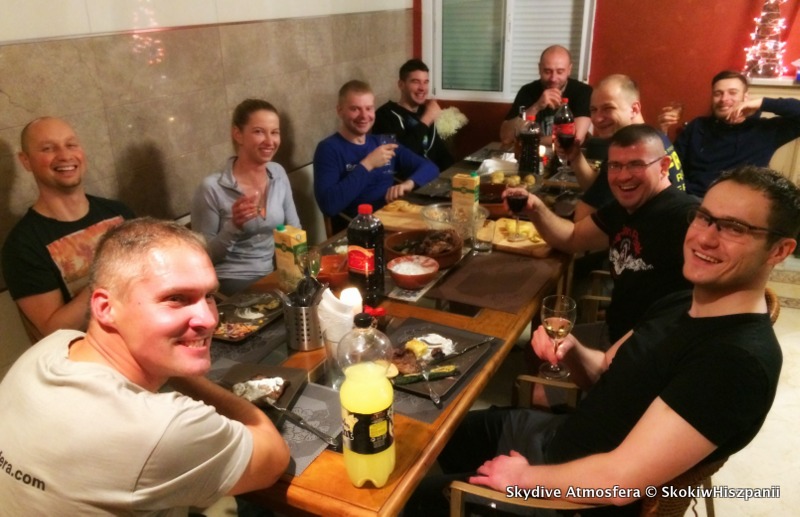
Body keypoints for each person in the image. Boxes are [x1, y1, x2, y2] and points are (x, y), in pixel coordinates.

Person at [409, 165, 798, 515]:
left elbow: (621, 482)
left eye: (734, 228)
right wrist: (574, 351)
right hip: (559, 438)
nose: (705, 237)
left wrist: (523, 479)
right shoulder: (685, 300)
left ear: (780, 250)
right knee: (428, 436)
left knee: (407, 500)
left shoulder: (735, 363)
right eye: (704, 217)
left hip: (569, 497)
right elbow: (604, 372)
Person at [0, 218, 290, 514]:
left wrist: (167, 365)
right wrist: (189, 378)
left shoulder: (49, 348)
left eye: (209, 297)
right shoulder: (162, 427)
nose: (208, 319)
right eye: (175, 298)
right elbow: (273, 459)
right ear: (105, 307)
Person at [506, 124, 697, 345]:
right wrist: (535, 208)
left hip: (650, 348)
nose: (623, 176)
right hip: (615, 333)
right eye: (615, 166)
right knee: (536, 347)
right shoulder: (625, 207)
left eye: (636, 165)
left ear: (664, 166)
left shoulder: (687, 218)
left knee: (541, 348)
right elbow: (572, 238)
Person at [1, 117, 135, 341]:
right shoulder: (22, 246)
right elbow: (54, 332)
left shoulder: (118, 212)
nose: (64, 155)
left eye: (71, 145)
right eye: (48, 148)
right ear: (26, 161)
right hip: (95, 356)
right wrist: (108, 273)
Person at [192, 99, 301, 296]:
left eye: (275, 132)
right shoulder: (211, 188)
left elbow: (294, 227)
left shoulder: (277, 173)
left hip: (271, 277)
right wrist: (234, 225)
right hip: (229, 284)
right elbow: (203, 258)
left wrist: (300, 272)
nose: (270, 141)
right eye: (259, 131)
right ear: (238, 134)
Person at [314, 80, 439, 234]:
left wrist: (408, 184)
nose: (364, 116)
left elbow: (430, 168)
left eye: (368, 108)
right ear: (340, 111)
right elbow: (329, 206)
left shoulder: (382, 142)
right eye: (355, 109)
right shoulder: (328, 149)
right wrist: (367, 165)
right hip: (358, 230)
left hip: (393, 220)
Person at [660, 70, 800, 197]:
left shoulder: (764, 130)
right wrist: (663, 132)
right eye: (718, 93)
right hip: (692, 200)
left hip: (737, 205)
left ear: (745, 97)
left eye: (732, 93)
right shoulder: (697, 126)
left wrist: (762, 102)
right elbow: (672, 166)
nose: (724, 99)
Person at [565, 74, 685, 220]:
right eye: (594, 110)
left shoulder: (632, 150)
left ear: (634, 109)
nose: (597, 118)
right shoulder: (653, 138)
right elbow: (596, 189)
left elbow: (583, 216)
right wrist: (576, 157)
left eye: (608, 108)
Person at [499, 45, 592, 148]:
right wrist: (536, 106)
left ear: (569, 70)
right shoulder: (527, 91)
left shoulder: (583, 91)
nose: (553, 78)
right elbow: (506, 137)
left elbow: (576, 138)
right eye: (547, 71)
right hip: (531, 155)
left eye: (560, 72)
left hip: (567, 156)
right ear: (539, 69)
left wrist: (530, 140)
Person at [373, 59, 455, 171]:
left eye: (425, 82)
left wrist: (456, 173)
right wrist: (426, 120)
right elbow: (399, 159)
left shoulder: (424, 111)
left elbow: (441, 153)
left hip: (434, 177)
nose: (422, 88)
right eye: (416, 82)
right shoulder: (385, 115)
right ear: (401, 85)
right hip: (408, 180)